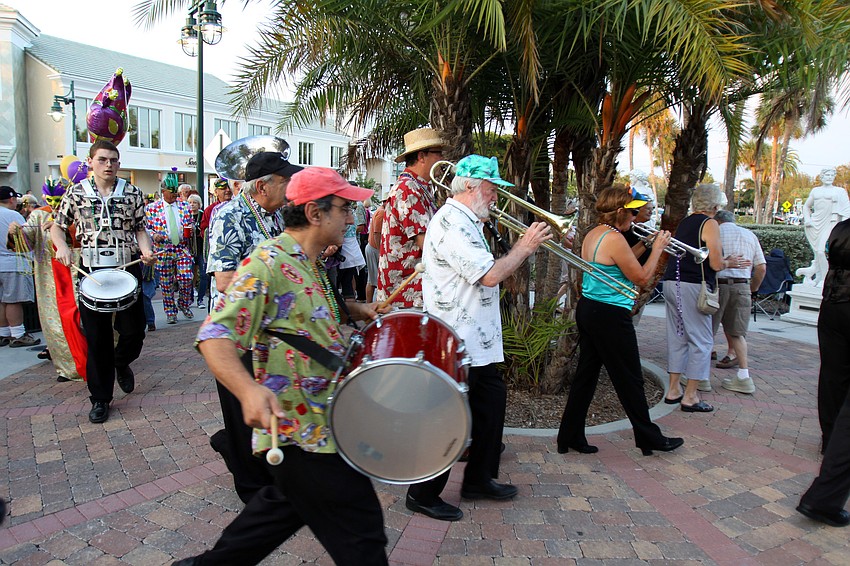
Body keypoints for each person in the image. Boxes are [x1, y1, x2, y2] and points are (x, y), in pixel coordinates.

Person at [180, 167, 388, 565]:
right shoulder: (267, 263)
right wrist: (249, 391)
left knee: (273, 516)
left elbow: (305, 318)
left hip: (326, 421)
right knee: (363, 540)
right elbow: (215, 336)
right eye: (344, 208)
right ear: (315, 213)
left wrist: (361, 310)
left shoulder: (308, 263)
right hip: (302, 431)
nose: (351, 217)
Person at [421, 155, 551, 512]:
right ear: (469, 188)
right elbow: (490, 275)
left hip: (476, 342)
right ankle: (422, 495)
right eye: (492, 190)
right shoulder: (452, 223)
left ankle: (478, 480)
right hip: (456, 341)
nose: (496, 198)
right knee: (448, 422)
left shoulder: (468, 221)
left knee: (490, 410)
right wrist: (524, 247)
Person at [205, 150, 302, 504]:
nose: (290, 186)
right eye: (284, 180)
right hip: (237, 333)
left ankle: (230, 443)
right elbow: (224, 279)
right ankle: (252, 490)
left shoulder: (277, 217)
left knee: (262, 407)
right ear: (262, 186)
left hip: (268, 331)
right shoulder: (229, 215)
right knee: (241, 410)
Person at [557, 186, 683, 456]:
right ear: (621, 212)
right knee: (630, 379)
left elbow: (619, 263)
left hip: (591, 310)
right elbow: (640, 278)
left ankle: (569, 435)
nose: (637, 215)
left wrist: (645, 244)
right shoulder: (614, 238)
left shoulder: (597, 233)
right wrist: (659, 249)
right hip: (609, 315)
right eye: (633, 210)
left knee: (586, 377)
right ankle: (649, 437)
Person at [50, 140, 155, 424]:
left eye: (114, 160)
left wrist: (145, 250)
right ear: (91, 161)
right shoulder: (76, 193)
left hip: (125, 267)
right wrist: (60, 246)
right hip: (92, 272)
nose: (109, 165)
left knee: (134, 331)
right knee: (97, 339)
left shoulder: (132, 192)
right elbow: (57, 227)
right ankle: (100, 398)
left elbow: (140, 229)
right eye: (103, 160)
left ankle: (121, 361)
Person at [662, 184, 746, 412]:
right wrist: (730, 262)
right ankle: (690, 396)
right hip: (692, 286)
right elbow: (716, 264)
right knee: (702, 341)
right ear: (716, 205)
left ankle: (673, 390)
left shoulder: (686, 222)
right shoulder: (710, 224)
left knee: (678, 337)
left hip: (672, 282)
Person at [796, 217, 850, 527]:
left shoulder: (839, 229)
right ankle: (824, 497)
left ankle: (831, 442)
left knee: (832, 379)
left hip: (833, 304)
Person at [7, 179, 86, 381]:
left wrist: (63, 227)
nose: (55, 204)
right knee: (57, 323)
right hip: (50, 278)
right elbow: (25, 243)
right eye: (51, 200)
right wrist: (17, 233)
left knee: (86, 319)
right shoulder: (39, 214)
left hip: (81, 272)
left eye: (59, 200)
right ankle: (68, 367)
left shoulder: (79, 211)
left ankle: (97, 362)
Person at [376, 127, 446, 308]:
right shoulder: (408, 188)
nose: (442, 159)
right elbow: (427, 245)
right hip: (406, 294)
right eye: (438, 153)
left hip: (413, 290)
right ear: (421, 156)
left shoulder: (419, 186)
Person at [711, 211, 766, 394]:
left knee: (706, 330)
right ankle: (744, 376)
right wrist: (753, 289)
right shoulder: (750, 235)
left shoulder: (715, 233)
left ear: (717, 221)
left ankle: (700, 377)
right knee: (738, 333)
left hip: (718, 285)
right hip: (742, 286)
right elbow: (761, 268)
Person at [146, 171, 195, 324]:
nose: (175, 195)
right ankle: (170, 312)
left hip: (181, 247)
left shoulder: (184, 206)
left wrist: (191, 228)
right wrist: (154, 235)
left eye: (176, 191)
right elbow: (147, 228)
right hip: (163, 249)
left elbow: (190, 223)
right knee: (166, 283)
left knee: (186, 277)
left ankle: (184, 303)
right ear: (163, 191)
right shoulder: (152, 208)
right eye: (172, 192)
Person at [0, 185, 40, 348]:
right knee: (13, 301)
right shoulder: (13, 215)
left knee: (1, 301)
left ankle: (3, 334)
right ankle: (18, 334)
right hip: (13, 262)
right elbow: (26, 240)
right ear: (12, 199)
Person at [799, 168, 850, 287]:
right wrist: (808, 219)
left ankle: (826, 279)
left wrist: (842, 229)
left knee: (822, 251)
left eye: (832, 175)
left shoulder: (840, 191)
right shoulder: (815, 191)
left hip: (831, 223)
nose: (829, 177)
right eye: (827, 175)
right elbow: (806, 206)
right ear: (821, 177)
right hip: (815, 224)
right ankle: (818, 277)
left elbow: (846, 210)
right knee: (817, 252)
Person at [365, 187, 389, 303]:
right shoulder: (382, 212)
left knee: (372, 280)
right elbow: (377, 234)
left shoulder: (381, 211)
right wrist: (381, 251)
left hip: (373, 248)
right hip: (374, 248)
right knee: (374, 280)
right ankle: (370, 305)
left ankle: (369, 305)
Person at [187, 194, 208, 308]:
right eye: (190, 203)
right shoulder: (186, 216)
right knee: (189, 275)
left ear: (199, 204)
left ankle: (200, 299)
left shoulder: (202, 215)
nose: (192, 205)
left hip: (201, 249)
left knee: (204, 274)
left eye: (194, 202)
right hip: (189, 249)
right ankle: (189, 298)